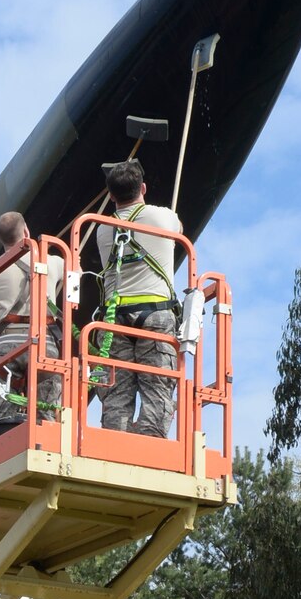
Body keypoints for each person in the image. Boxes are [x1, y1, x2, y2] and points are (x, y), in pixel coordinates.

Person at [93, 161, 182, 435]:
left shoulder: (101, 228)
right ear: (143, 188)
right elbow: (179, 229)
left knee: (116, 391)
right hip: (155, 314)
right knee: (157, 387)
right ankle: (150, 442)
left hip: (114, 320)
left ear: (110, 196)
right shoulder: (162, 218)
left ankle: (114, 443)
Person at [0, 212, 62, 437]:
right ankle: (46, 441)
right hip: (44, 343)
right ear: (26, 232)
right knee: (47, 409)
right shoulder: (50, 260)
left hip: (5, 344)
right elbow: (76, 278)